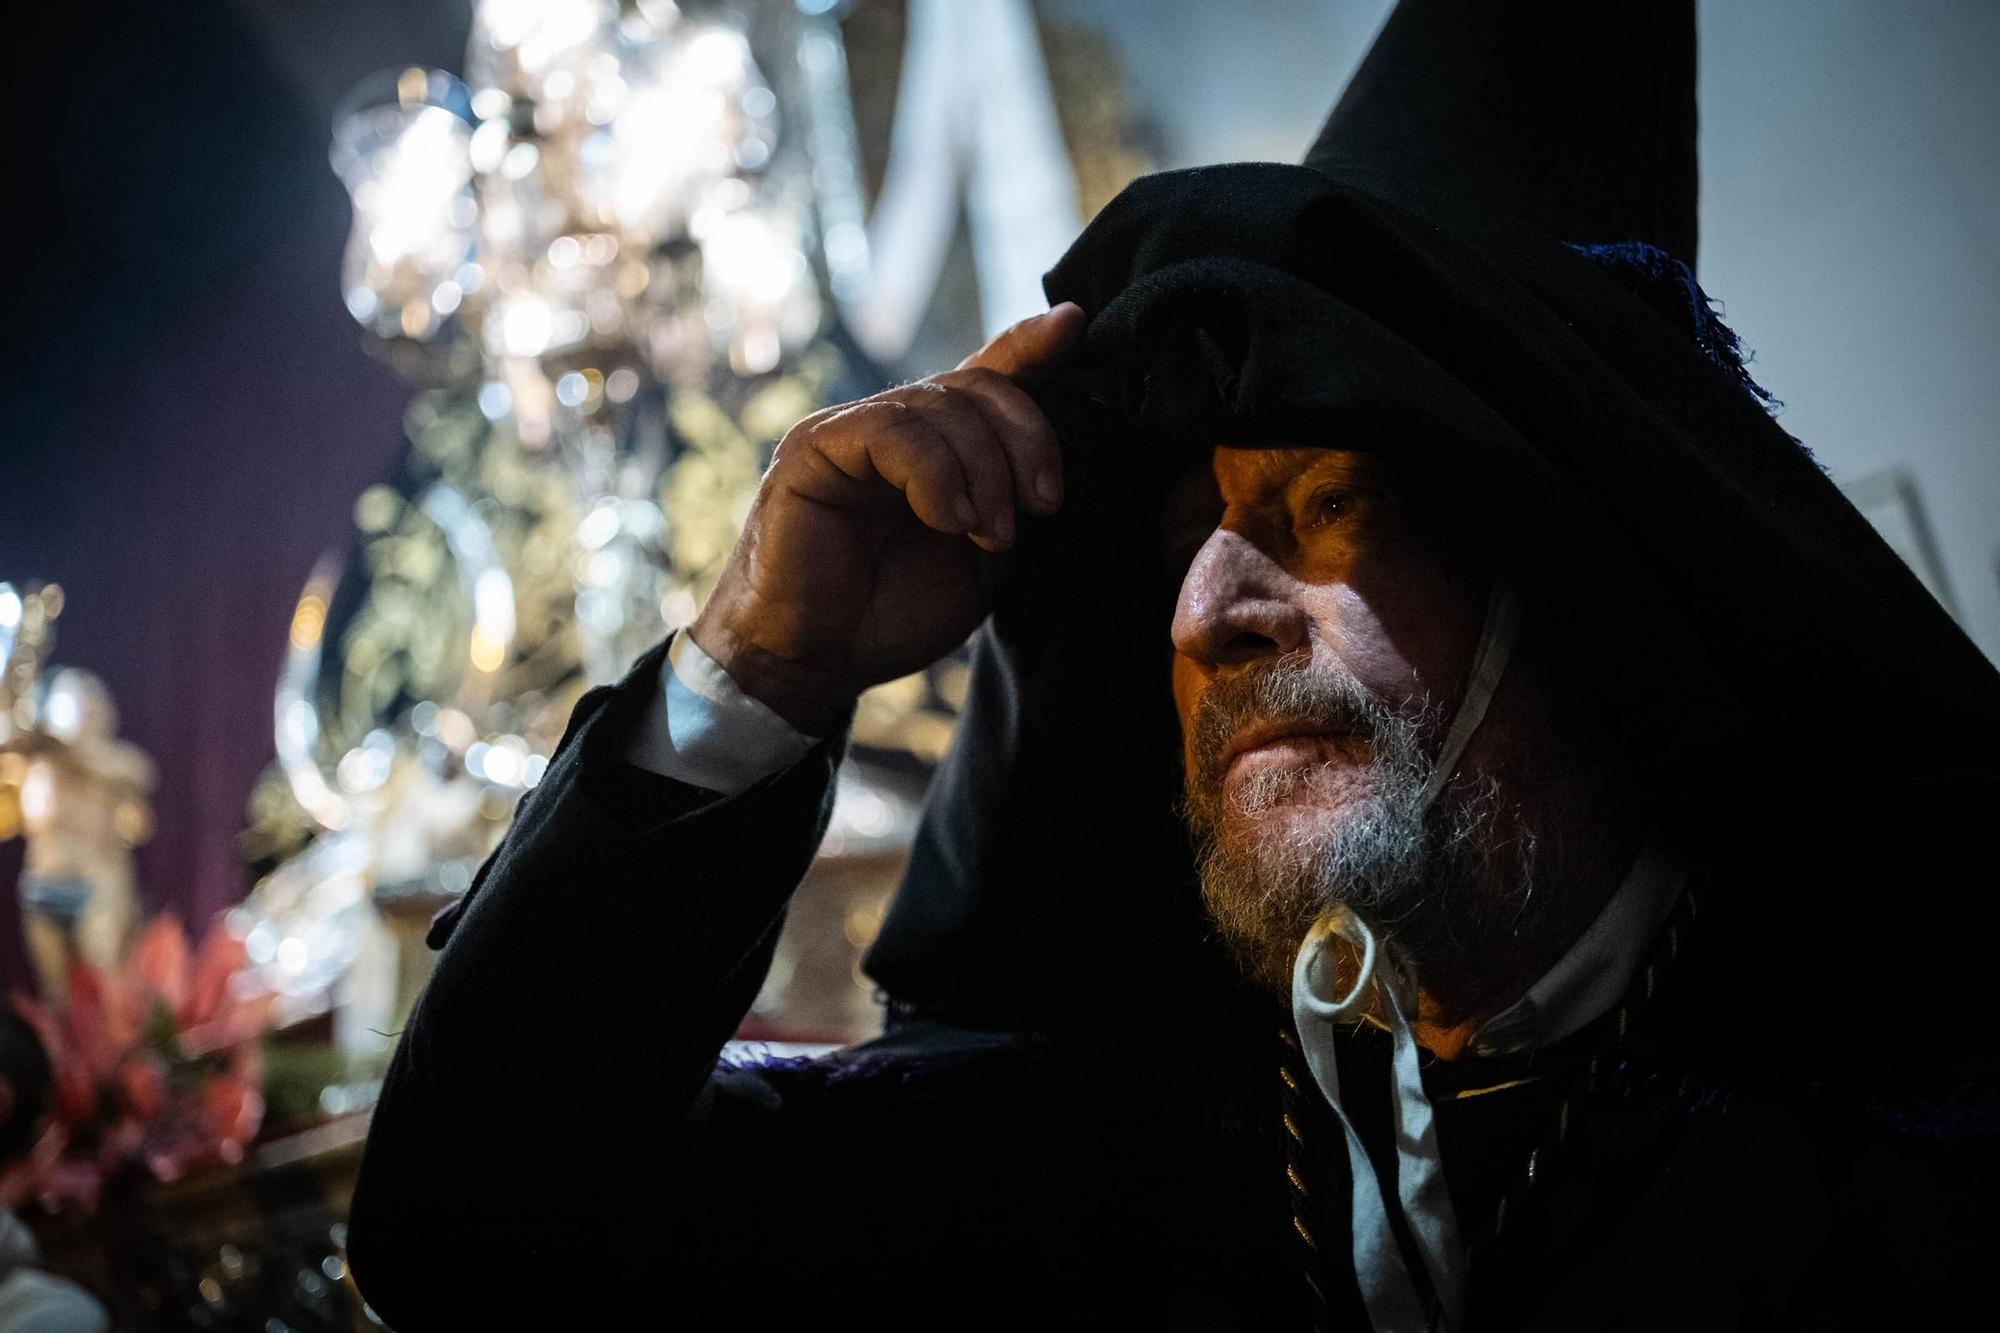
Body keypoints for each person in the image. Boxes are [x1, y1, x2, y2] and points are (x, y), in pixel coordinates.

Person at [350, 3, 2000, 1328]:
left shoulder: (1903, 1169)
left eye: (1324, 502)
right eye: (1184, 538)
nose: (1214, 603)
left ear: (1568, 568)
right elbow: (477, 1241)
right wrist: (768, 657)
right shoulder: (1099, 1146)